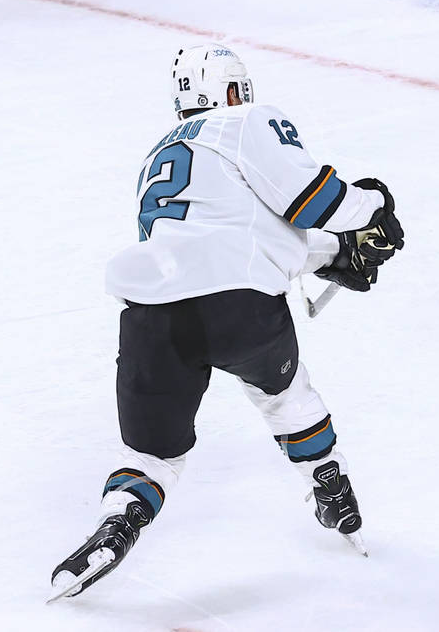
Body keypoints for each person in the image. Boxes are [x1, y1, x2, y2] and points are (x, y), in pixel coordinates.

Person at [50, 44, 404, 601]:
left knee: (151, 454)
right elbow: (308, 199)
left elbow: (228, 230)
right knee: (284, 392)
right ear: (231, 90)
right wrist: (368, 212)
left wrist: (331, 251)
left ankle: (120, 520)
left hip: (150, 315)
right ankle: (327, 480)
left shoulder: (155, 158)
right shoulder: (243, 122)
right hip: (238, 307)